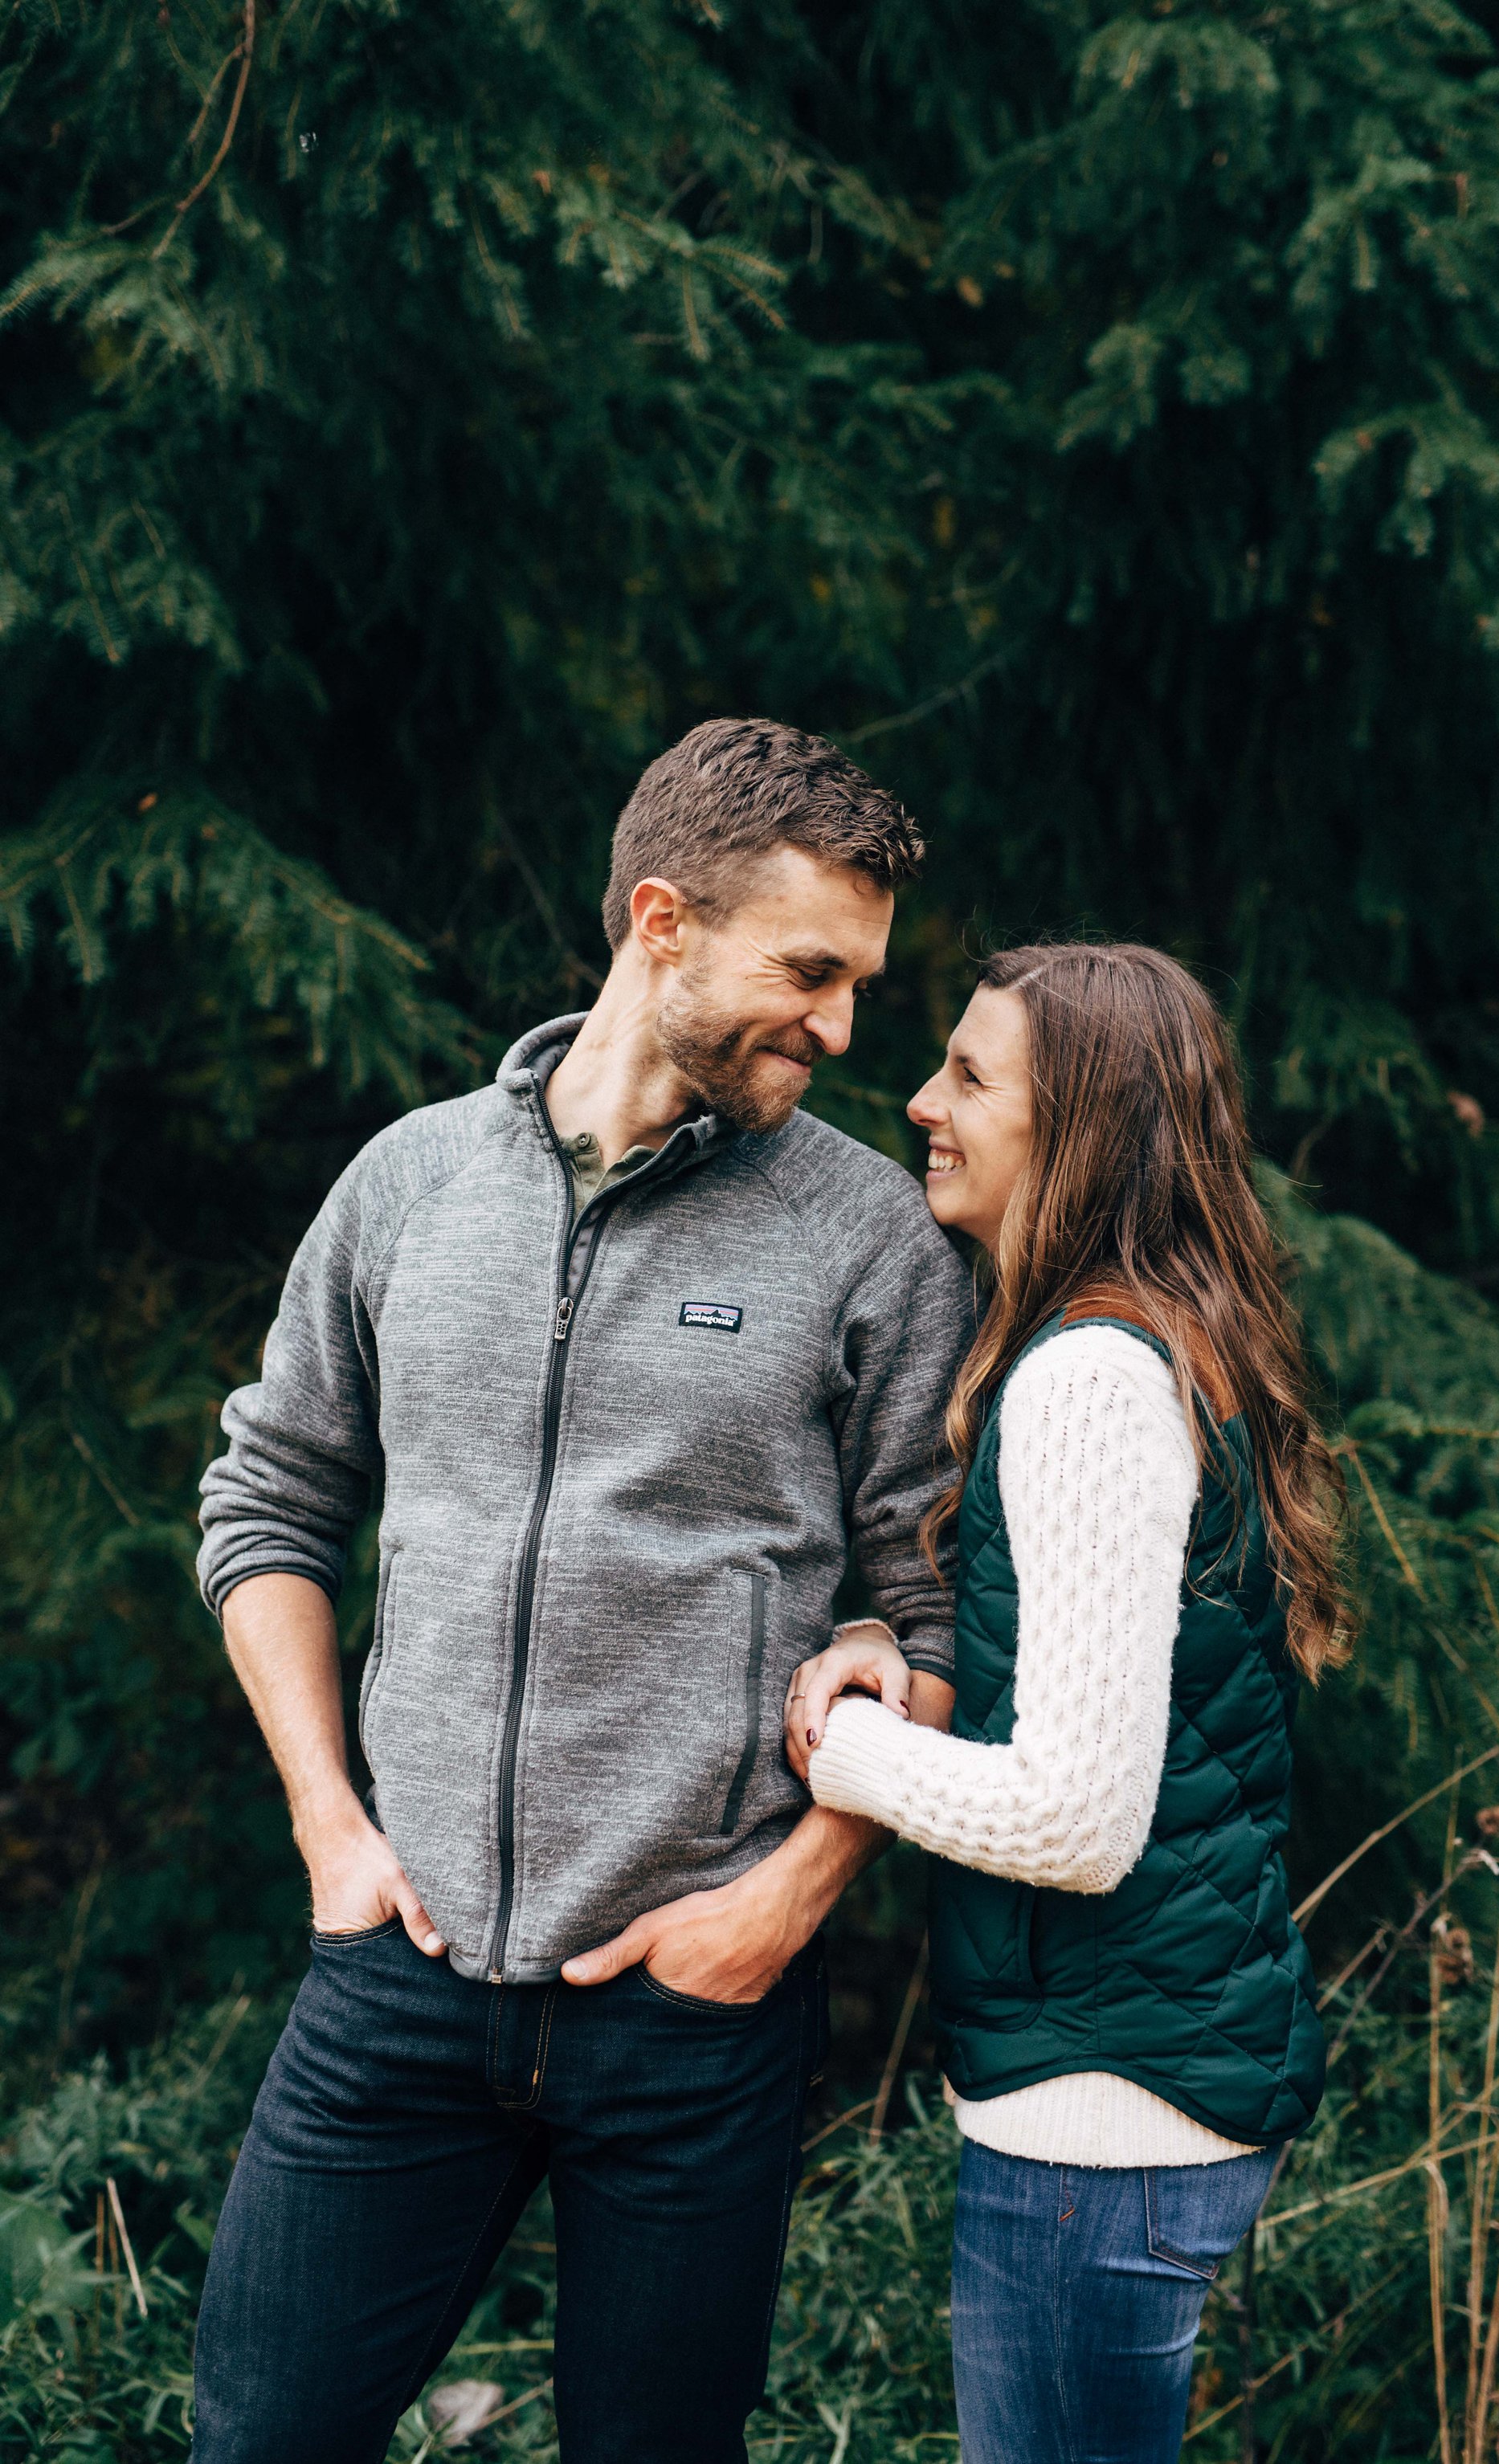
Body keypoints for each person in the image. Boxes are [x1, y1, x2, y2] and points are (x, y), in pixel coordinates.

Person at [190, 718, 973, 2464]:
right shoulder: (408, 1183)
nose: (844, 1029)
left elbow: (931, 1611)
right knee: (254, 2439)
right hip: (401, 1974)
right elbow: (270, 1501)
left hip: (696, 2002)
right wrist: (329, 1819)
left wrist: (785, 1902)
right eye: (811, 970)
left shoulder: (868, 1239)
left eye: (860, 984)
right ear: (660, 919)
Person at [785, 941, 1348, 2464]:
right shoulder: (1136, 1343)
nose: (920, 1102)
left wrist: (839, 1741)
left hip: (1103, 2113)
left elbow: (1077, 1817)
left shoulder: (1086, 1381)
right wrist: (902, 1683)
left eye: (971, 1076)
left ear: (1082, 1123)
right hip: (1138, 2082)